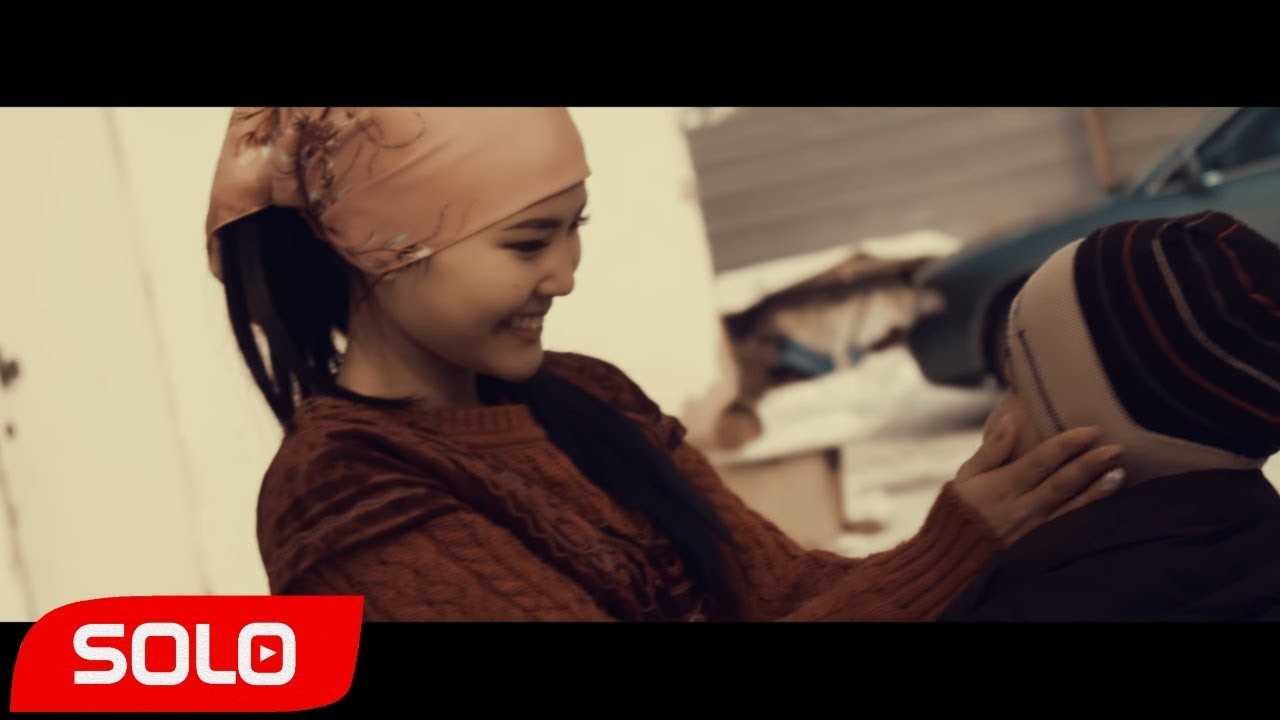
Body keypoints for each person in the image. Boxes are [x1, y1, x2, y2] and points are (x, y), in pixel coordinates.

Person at [205, 107, 1125, 621]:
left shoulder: (587, 394)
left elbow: (787, 595)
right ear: (377, 249)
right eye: (527, 243)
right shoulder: (346, 495)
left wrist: (981, 522)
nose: (565, 275)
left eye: (574, 229)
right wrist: (953, 549)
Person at [941, 212, 1280, 622]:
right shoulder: (1250, 548)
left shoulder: (1036, 600)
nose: (995, 420)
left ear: (1092, 430)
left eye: (1018, 387)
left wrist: (943, 569)